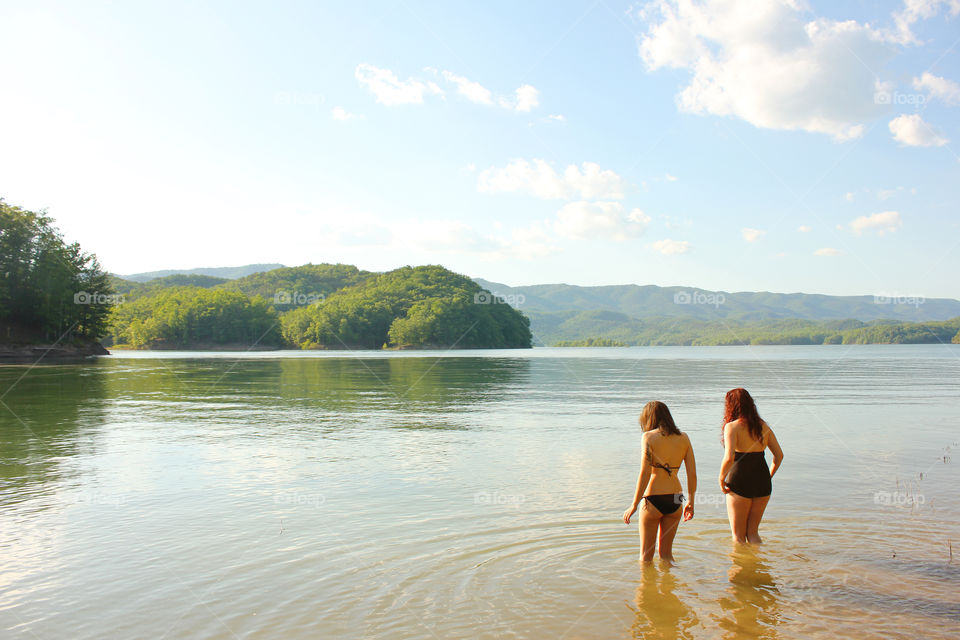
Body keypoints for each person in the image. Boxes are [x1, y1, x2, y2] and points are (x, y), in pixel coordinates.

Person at [623, 401, 697, 563]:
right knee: (667, 556)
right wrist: (690, 502)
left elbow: (645, 473)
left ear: (648, 419)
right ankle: (669, 587)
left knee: (646, 558)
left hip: (653, 499)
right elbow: (692, 474)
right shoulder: (684, 438)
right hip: (676, 499)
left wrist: (634, 504)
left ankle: (647, 587)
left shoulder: (648, 437)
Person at [718, 388, 784, 544]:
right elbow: (779, 456)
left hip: (739, 481)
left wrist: (721, 478)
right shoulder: (763, 426)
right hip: (762, 481)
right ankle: (758, 565)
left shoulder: (732, 427)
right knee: (753, 533)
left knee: (738, 536)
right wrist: (769, 476)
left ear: (731, 406)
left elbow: (729, 457)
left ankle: (741, 568)